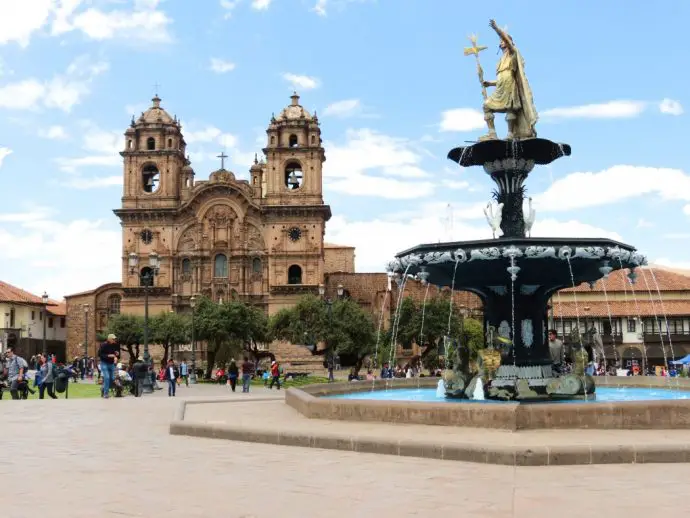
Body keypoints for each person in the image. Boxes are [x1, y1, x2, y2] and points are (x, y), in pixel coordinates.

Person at [480, 19, 538, 141]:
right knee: (486, 106)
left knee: (510, 108)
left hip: (510, 87)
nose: (501, 42)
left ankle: (510, 134)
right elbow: (501, 78)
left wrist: (496, 29)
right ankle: (492, 133)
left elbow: (509, 75)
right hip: (501, 87)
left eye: (503, 40)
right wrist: (490, 83)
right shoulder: (500, 60)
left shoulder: (513, 53)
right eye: (500, 41)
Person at [98, 334, 120, 398]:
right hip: (104, 363)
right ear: (109, 339)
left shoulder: (115, 345)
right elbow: (99, 354)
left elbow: (117, 355)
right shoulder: (103, 345)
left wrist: (117, 354)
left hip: (111, 364)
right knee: (107, 377)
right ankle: (106, 394)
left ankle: (103, 388)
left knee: (112, 378)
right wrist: (108, 355)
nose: (114, 340)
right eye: (113, 339)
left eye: (115, 339)